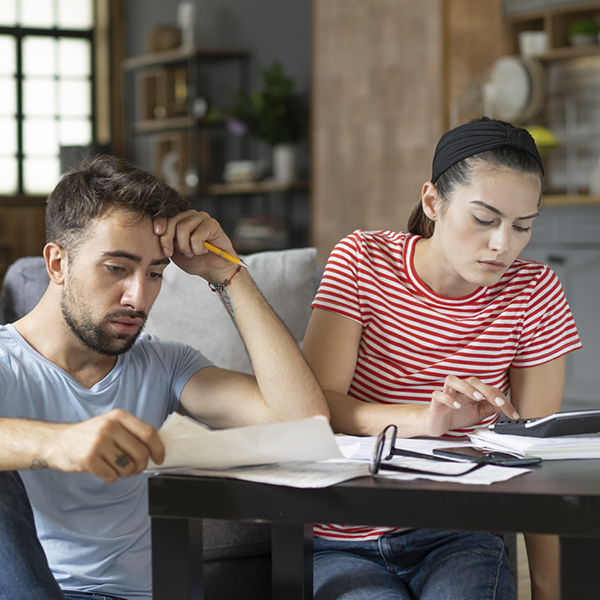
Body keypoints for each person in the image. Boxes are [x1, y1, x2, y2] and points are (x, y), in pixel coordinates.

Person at [0, 154, 328, 600]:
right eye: (116, 268)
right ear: (57, 264)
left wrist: (228, 272)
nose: (138, 297)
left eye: (155, 273)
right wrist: (58, 443)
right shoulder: (6, 362)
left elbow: (302, 419)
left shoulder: (166, 365)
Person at [302, 117, 582, 600]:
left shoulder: (534, 290)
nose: (503, 245)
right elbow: (313, 409)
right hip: (342, 535)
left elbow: (540, 459)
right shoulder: (363, 260)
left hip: (461, 533)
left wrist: (547, 591)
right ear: (433, 201)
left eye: (522, 226)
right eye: (484, 219)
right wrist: (424, 419)